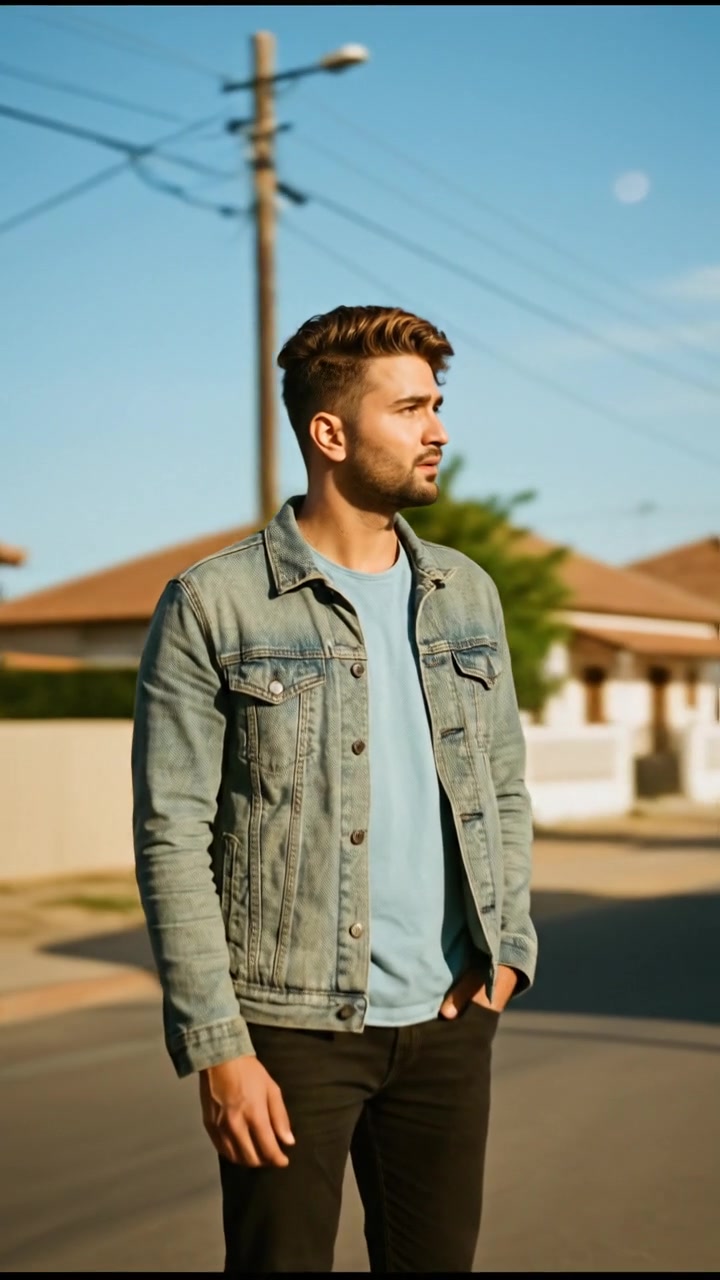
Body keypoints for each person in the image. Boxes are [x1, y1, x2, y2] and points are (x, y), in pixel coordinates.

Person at [132, 304, 537, 1274]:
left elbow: (505, 785)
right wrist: (220, 1046)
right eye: (410, 407)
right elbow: (171, 833)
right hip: (289, 1027)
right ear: (331, 431)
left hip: (448, 1015)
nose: (438, 428)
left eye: (437, 404)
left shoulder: (467, 592)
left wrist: (508, 947)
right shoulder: (214, 602)